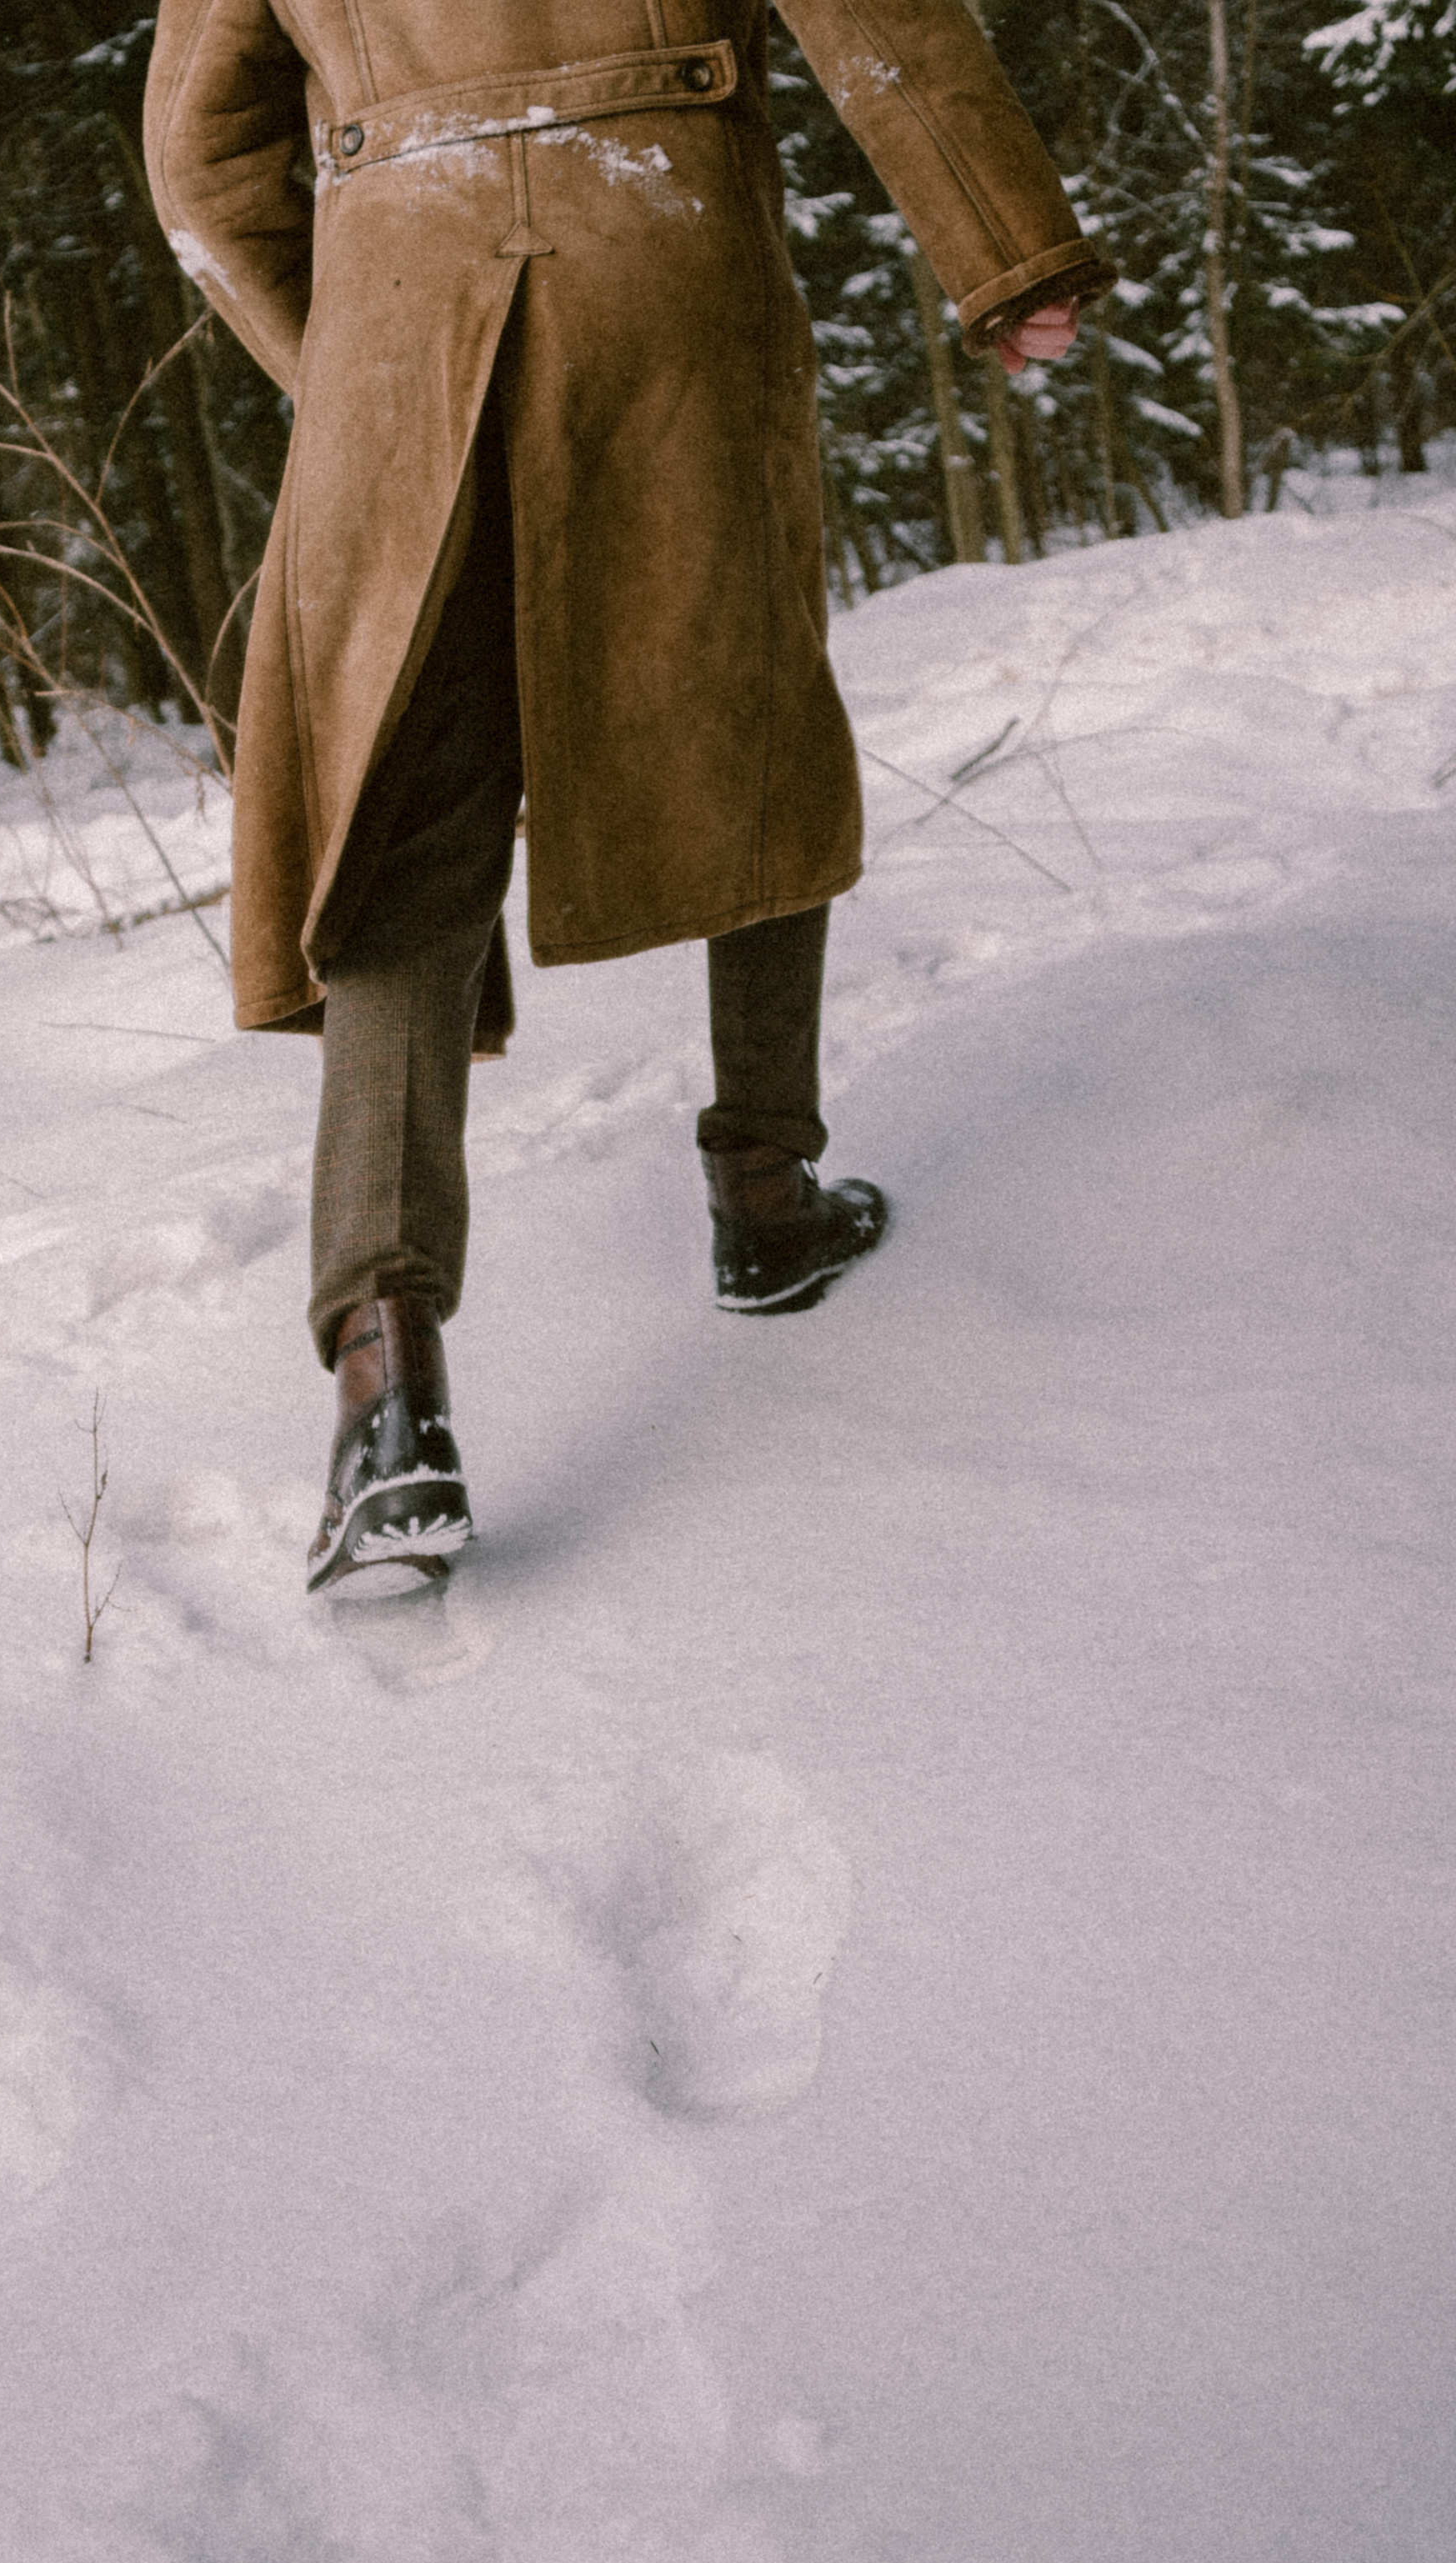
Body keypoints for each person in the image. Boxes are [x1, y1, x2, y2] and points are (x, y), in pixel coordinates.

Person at [144, 0, 1111, 1595]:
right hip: (665, 260)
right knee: (739, 695)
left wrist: (349, 349)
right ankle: (766, 1193)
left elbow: (200, 155)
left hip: (398, 294)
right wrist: (1007, 252)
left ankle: (386, 1383)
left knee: (404, 805)